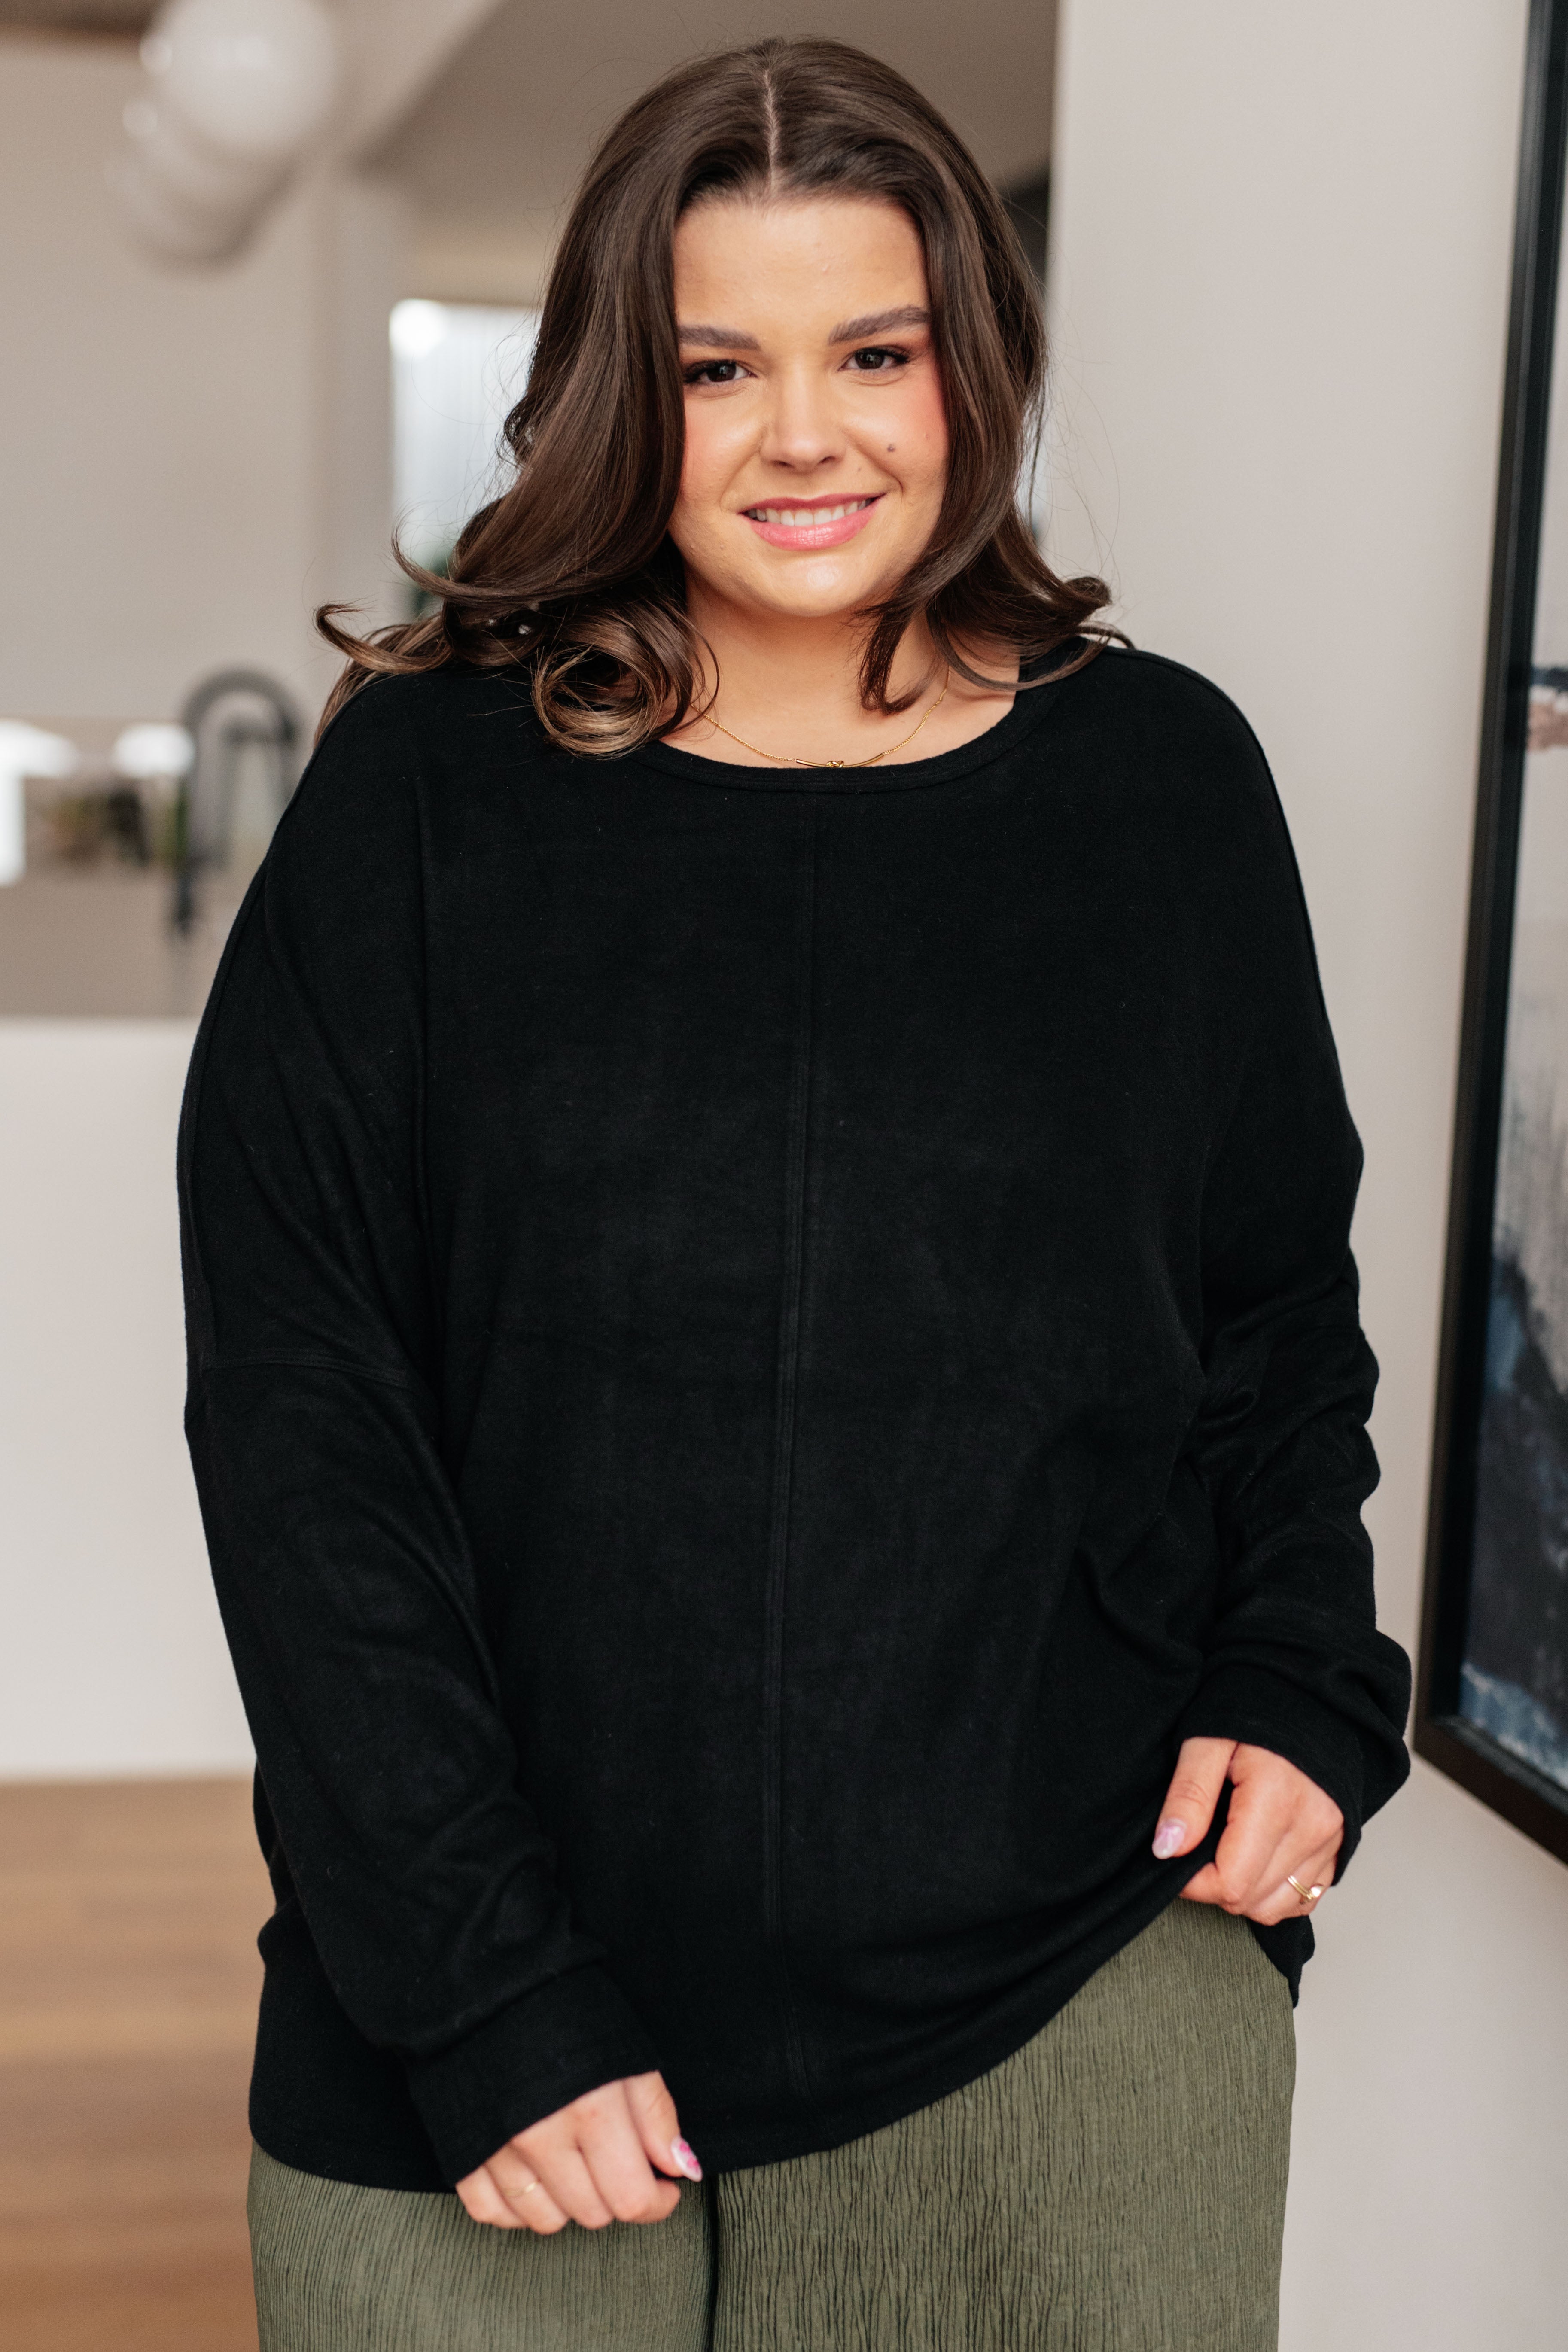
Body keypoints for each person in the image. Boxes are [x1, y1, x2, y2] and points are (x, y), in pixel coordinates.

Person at [178, 36, 1411, 2352]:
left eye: (875, 349)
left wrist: (1293, 1672)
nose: (803, 432)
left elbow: (1268, 1318)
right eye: (712, 365)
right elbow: (304, 1422)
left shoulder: (1156, 789)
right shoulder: (423, 803)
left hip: (1056, 1986)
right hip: (482, 2020)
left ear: (976, 360)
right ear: (613, 401)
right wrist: (472, 1976)